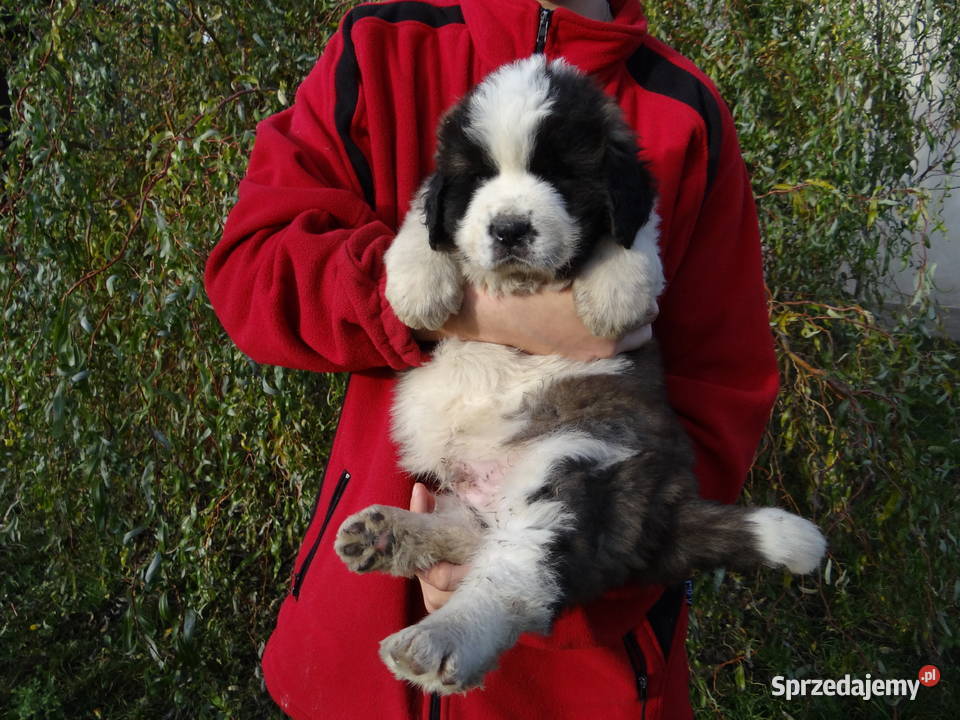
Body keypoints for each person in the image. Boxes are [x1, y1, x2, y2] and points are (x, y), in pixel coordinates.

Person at [204, 0, 779, 718]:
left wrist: (573, 562)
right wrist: (485, 311)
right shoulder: (384, 42)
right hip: (349, 665)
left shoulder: (683, 111)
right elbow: (252, 270)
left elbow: (721, 399)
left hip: (573, 680)